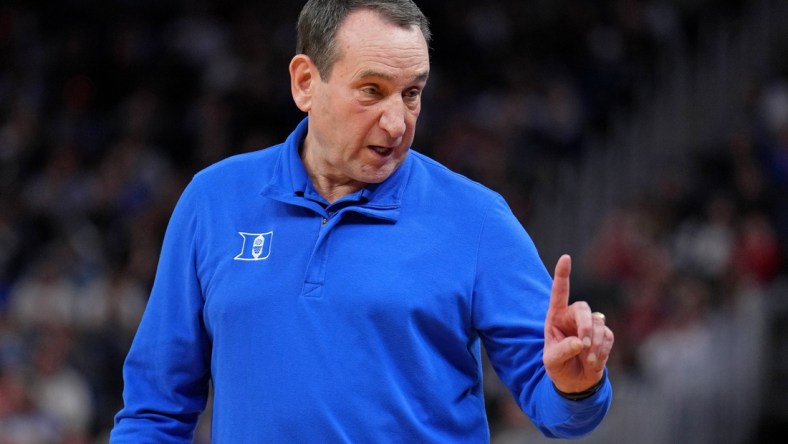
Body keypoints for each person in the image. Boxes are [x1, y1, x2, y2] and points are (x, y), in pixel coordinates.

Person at [110, 0, 615, 442]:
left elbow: (561, 411)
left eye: (411, 93)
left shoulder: (477, 219)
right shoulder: (213, 200)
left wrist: (578, 386)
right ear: (306, 82)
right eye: (372, 91)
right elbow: (156, 407)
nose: (397, 122)